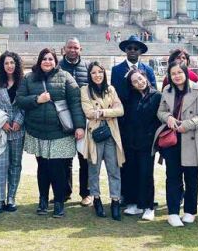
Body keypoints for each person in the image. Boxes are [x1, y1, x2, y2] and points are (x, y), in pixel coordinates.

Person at [16, 48, 85, 218]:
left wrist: (79, 126)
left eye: (50, 59)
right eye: (44, 59)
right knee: (43, 168)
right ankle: (43, 200)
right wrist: (37, 99)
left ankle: (59, 202)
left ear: (55, 61)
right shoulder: (29, 78)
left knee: (57, 169)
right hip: (37, 131)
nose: (47, 62)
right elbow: (20, 100)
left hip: (59, 132)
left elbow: (75, 103)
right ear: (39, 61)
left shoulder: (66, 77)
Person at [154, 61, 198, 227]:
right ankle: (172, 212)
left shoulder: (197, 88)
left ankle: (190, 211)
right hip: (172, 138)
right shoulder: (167, 90)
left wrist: (187, 124)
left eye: (179, 72)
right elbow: (161, 111)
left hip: (191, 137)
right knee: (172, 176)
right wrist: (169, 118)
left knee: (192, 177)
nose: (177, 76)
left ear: (186, 73)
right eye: (173, 73)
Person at [110, 34, 156, 205]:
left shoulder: (148, 70)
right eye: (129, 48)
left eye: (136, 48)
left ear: (140, 51)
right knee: (126, 162)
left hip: (144, 125)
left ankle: (144, 197)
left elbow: (153, 95)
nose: (132, 51)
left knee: (144, 165)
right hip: (124, 122)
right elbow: (114, 95)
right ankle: (127, 195)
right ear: (125, 51)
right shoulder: (116, 70)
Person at [80, 62, 124, 221]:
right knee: (94, 168)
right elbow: (88, 112)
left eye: (100, 72)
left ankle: (115, 200)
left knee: (114, 169)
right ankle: (96, 198)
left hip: (111, 133)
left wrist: (103, 112)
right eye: (93, 73)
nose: (97, 75)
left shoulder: (110, 89)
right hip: (95, 134)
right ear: (89, 75)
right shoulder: (85, 90)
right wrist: (108, 112)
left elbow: (120, 110)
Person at [120, 69, 161, 222]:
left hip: (147, 143)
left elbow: (159, 119)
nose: (139, 82)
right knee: (131, 172)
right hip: (130, 142)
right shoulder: (130, 97)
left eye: (141, 78)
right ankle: (134, 203)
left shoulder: (157, 96)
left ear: (145, 77)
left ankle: (148, 207)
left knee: (146, 174)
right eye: (135, 81)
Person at [0, 51, 25, 213]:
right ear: (2, 66)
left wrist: (18, 121)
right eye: (6, 63)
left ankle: (11, 198)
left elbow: (25, 104)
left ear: (16, 65)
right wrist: (2, 122)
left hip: (18, 130)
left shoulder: (23, 82)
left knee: (15, 165)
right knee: (1, 165)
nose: (9, 66)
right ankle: (0, 200)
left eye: (12, 63)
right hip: (1, 131)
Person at [58, 37, 91, 206]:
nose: (73, 50)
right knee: (65, 158)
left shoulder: (87, 67)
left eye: (76, 47)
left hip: (84, 119)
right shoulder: (57, 67)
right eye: (70, 47)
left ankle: (86, 193)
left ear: (81, 49)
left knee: (84, 158)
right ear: (64, 49)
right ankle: (65, 192)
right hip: (63, 118)